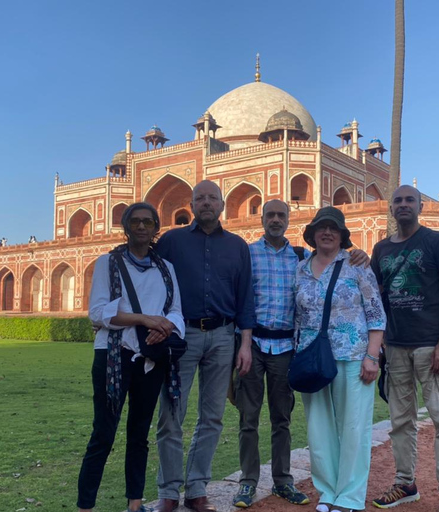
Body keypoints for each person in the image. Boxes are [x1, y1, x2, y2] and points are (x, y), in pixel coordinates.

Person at [233, 200, 372, 508]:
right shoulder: (251, 254)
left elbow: (368, 304)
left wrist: (360, 254)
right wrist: (242, 345)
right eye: (270, 215)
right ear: (261, 219)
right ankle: (247, 482)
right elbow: (241, 300)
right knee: (250, 417)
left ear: (289, 220)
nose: (275, 220)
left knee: (283, 418)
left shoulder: (301, 257)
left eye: (281, 215)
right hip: (256, 344)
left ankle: (283, 481)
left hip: (290, 349)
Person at [154, 180, 256, 512]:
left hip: (224, 337)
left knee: (212, 416)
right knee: (171, 414)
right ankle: (169, 491)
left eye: (212, 198)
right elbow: (152, 282)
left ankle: (197, 488)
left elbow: (245, 298)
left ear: (223, 204)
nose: (207, 203)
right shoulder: (172, 241)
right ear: (192, 204)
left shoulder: (238, 246)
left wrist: (245, 344)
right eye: (200, 198)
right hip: (181, 337)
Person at [77, 202, 185, 512]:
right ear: (126, 226)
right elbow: (97, 313)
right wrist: (145, 319)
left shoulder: (166, 269)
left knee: (139, 435)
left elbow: (175, 310)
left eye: (147, 222)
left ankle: (135, 506)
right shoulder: (107, 263)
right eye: (135, 221)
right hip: (114, 357)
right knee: (103, 434)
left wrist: (164, 328)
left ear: (155, 228)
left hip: (151, 359)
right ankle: (86, 506)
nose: (141, 227)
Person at [370, 185, 439, 512]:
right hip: (396, 348)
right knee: (400, 421)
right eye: (398, 200)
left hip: (430, 347)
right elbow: (377, 299)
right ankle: (405, 483)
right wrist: (378, 344)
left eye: (410, 200)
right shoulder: (381, 250)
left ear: (421, 206)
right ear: (391, 209)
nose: (404, 205)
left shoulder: (437, 242)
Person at [294, 206, 386, 512]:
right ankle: (328, 491)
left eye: (334, 228)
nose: (327, 232)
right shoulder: (302, 269)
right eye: (322, 227)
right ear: (313, 234)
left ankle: (349, 497)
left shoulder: (357, 265)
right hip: (313, 358)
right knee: (318, 429)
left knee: (353, 427)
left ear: (342, 235)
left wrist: (373, 356)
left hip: (353, 355)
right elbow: (298, 316)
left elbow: (375, 312)